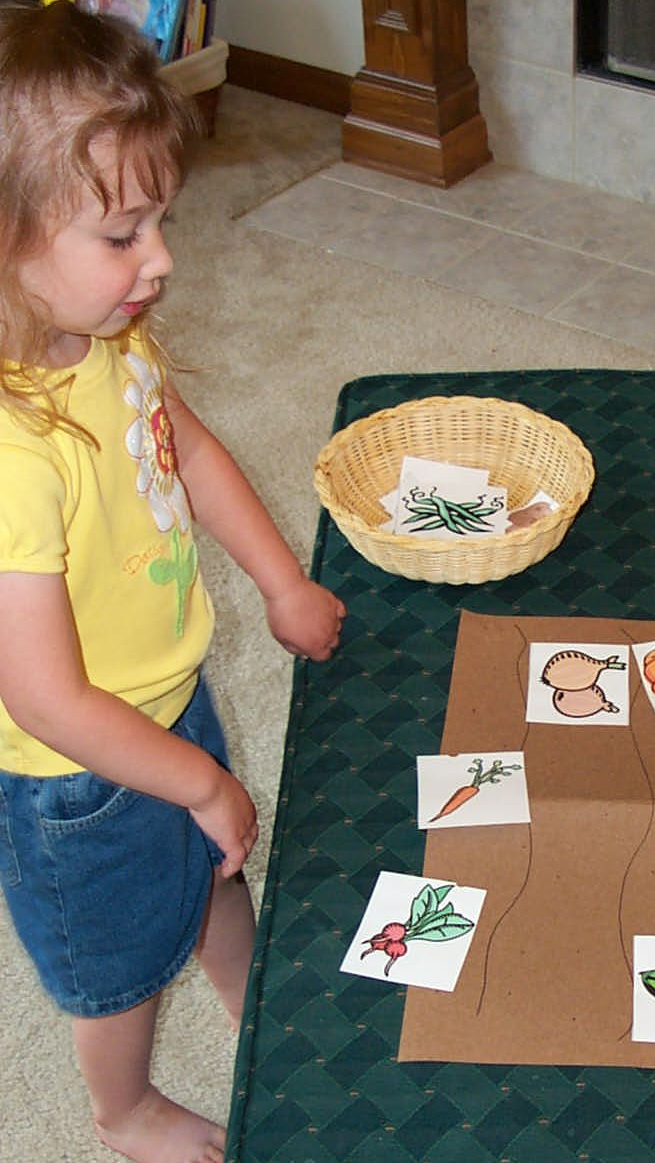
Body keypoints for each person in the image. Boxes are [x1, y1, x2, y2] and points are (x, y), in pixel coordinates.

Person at [0, 4, 346, 1162]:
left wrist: (278, 579)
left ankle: (262, 995)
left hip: (166, 689)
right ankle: (123, 1109)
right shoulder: (10, 456)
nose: (163, 259)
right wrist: (196, 779)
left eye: (162, 221)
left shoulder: (108, 343)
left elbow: (187, 451)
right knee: (114, 959)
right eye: (122, 233)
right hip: (77, 779)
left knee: (215, 863)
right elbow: (49, 699)